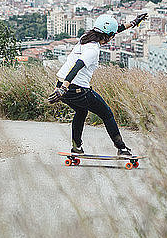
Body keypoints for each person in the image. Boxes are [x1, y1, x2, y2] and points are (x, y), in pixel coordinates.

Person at [47, 13, 148, 156]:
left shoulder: (85, 38)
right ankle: (122, 149)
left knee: (81, 111)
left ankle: (76, 147)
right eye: (111, 36)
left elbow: (115, 30)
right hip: (75, 89)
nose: (113, 37)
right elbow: (77, 66)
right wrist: (64, 88)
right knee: (107, 114)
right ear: (107, 36)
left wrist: (133, 23)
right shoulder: (93, 50)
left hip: (61, 85)